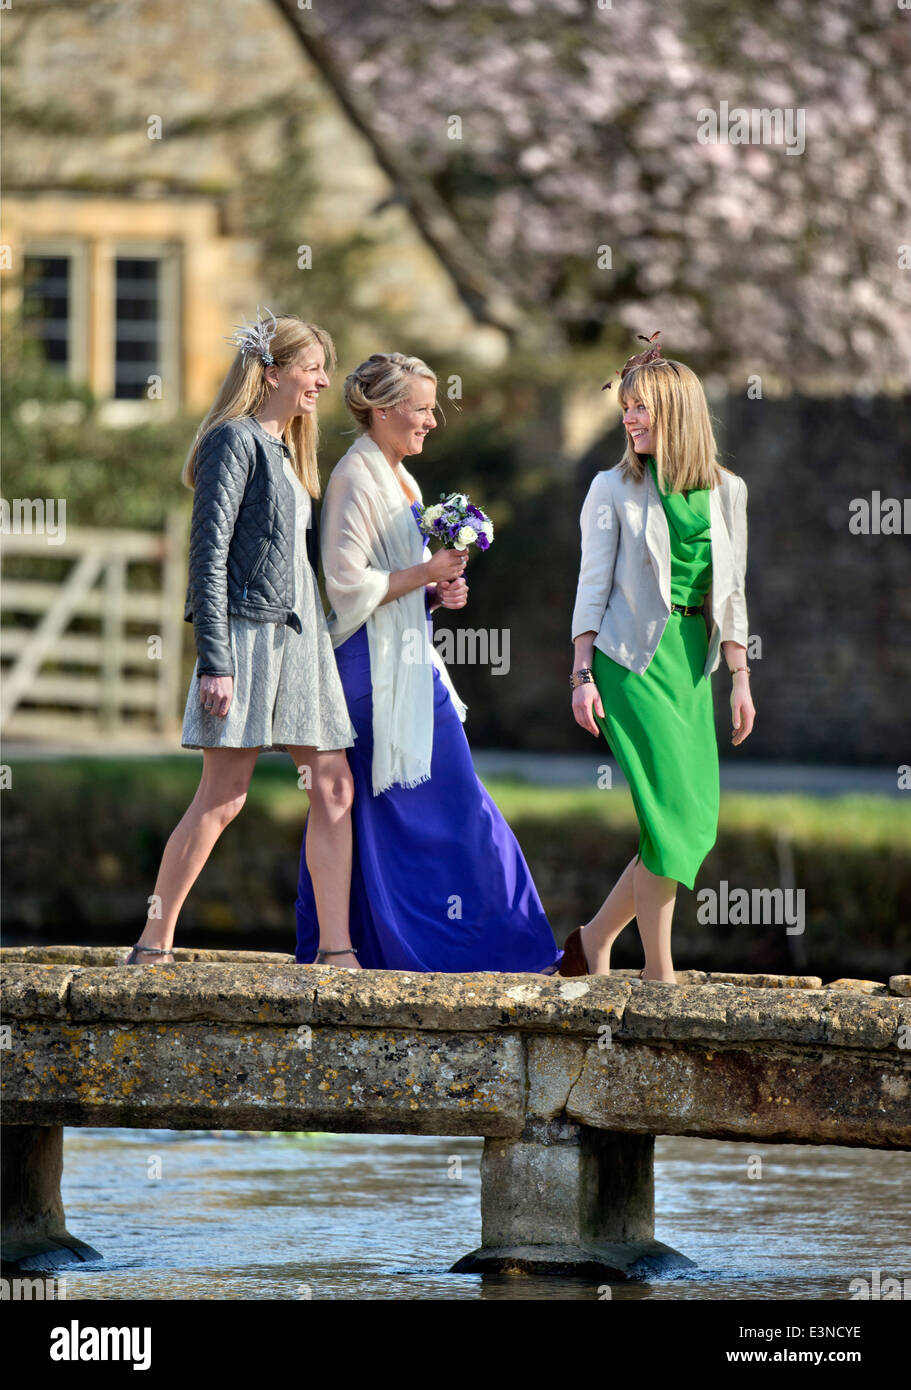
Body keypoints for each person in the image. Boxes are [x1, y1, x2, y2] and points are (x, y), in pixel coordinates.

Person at [294, 351, 562, 973]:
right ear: (384, 411)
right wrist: (424, 572)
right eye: (421, 409)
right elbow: (345, 587)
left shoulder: (403, 480)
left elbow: (394, 586)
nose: (433, 421)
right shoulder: (354, 478)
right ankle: (460, 953)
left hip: (410, 664)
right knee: (427, 809)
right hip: (367, 673)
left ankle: (467, 949)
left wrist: (435, 592)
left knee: (443, 807)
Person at [125, 310, 357, 965]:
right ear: (273, 371)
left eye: (322, 369)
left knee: (332, 783)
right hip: (247, 637)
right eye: (311, 368)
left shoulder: (288, 450)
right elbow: (208, 554)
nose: (321, 380)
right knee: (224, 798)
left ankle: (338, 952)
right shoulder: (235, 440)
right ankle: (153, 941)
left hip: (300, 636)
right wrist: (215, 662)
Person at [563, 336, 755, 983]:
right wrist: (581, 674)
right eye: (625, 408)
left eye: (640, 408)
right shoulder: (611, 488)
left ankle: (590, 944)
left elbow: (730, 591)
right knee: (666, 812)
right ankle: (658, 974)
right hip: (629, 664)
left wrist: (739, 678)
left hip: (692, 664)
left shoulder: (728, 492)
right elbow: (591, 587)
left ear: (676, 411)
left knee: (690, 820)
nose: (628, 419)